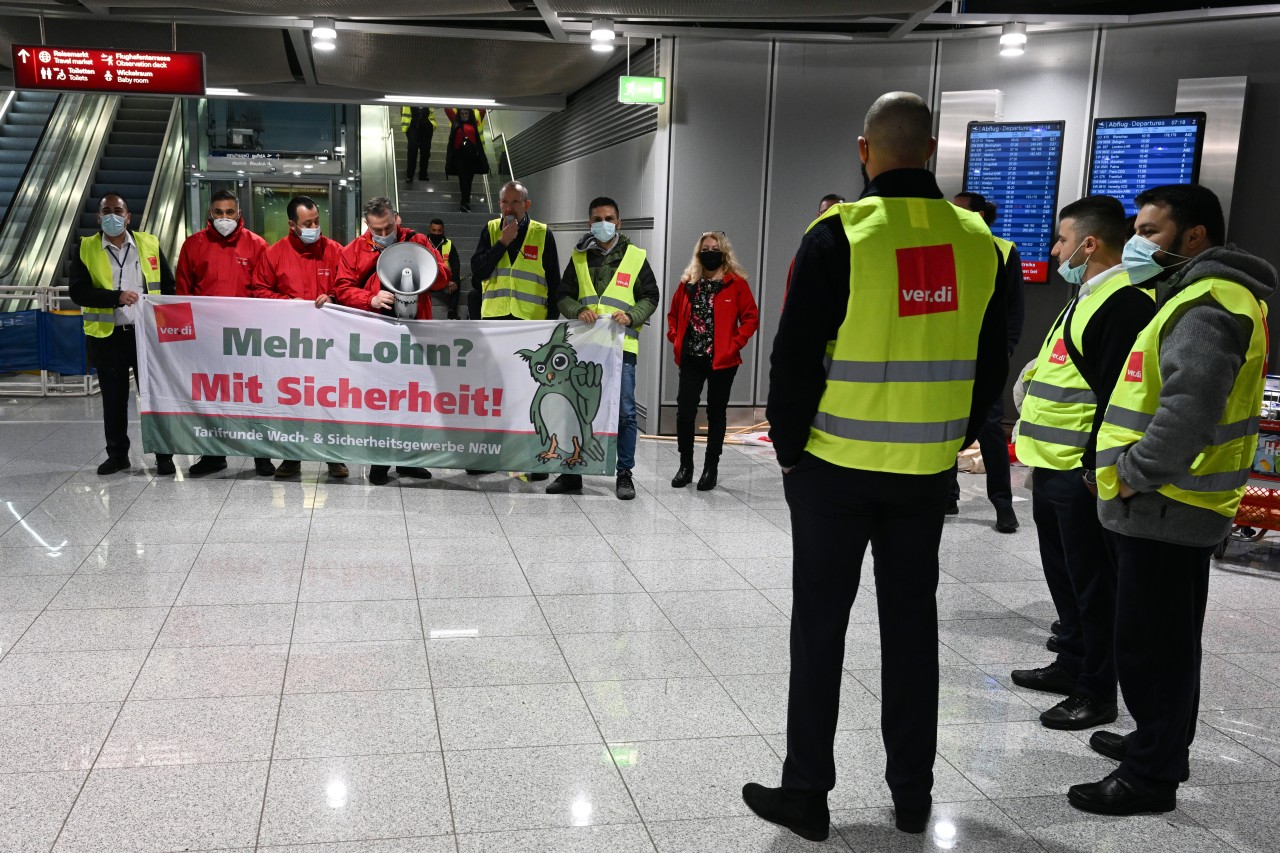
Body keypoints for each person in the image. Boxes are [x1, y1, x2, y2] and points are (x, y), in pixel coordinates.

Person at [742, 92, 1007, 842]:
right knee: (912, 626)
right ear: (930, 151)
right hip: (924, 473)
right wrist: (949, 438)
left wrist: (791, 452)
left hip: (834, 468)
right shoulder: (982, 243)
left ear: (865, 150)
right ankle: (913, 793)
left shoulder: (840, 235)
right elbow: (992, 363)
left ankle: (807, 792)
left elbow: (792, 361)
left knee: (820, 628)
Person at [1070, 184, 1276, 816]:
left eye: (1152, 231)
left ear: (1195, 238)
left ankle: (1149, 777)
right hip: (1175, 505)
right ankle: (1159, 744)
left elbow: (1190, 408)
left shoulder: (1209, 302)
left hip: (1165, 503)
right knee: (1170, 640)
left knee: (1152, 645)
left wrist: (1134, 473)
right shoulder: (1199, 294)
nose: (1137, 242)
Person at [1011, 195, 1156, 732]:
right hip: (1051, 464)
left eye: (1062, 239)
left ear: (1089, 244)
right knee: (1066, 579)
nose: (1055, 250)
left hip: (1080, 471)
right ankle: (1070, 663)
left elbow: (1117, 398)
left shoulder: (1123, 302)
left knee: (1094, 587)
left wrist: (1098, 469)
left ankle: (1097, 690)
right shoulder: (1088, 296)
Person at [549, 196, 660, 501]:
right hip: (584, 351)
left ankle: (624, 474)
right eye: (598, 219)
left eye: (609, 218)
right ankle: (572, 474)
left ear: (619, 223)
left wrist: (633, 316)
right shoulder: (579, 257)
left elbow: (651, 296)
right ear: (590, 223)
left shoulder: (636, 257)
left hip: (621, 350)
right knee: (576, 412)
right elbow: (563, 295)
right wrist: (576, 310)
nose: (604, 224)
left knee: (624, 413)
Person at [334, 196, 451, 485]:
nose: (384, 235)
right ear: (367, 225)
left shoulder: (418, 241)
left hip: (416, 332)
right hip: (378, 337)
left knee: (414, 399)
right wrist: (370, 299)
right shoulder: (354, 251)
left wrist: (426, 274)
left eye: (388, 227)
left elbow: (444, 276)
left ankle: (409, 461)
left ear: (395, 218)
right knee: (382, 400)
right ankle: (380, 462)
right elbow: (342, 287)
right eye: (377, 230)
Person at [68, 193, 176, 476]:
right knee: (113, 400)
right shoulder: (85, 248)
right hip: (107, 336)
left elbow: (168, 287)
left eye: (118, 211)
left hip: (146, 336)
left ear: (128, 217)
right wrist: (116, 297)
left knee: (154, 397)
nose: (112, 216)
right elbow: (78, 292)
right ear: (98, 217)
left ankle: (164, 456)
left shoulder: (148, 243)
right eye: (107, 211)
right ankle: (117, 455)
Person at [248, 194, 350, 480]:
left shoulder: (335, 251)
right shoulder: (274, 253)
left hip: (329, 343)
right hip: (290, 343)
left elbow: (348, 287)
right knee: (293, 398)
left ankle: (334, 457)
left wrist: (333, 297)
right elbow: (259, 290)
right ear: (292, 224)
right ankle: (292, 458)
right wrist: (291, 302)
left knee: (331, 398)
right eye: (308, 223)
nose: (314, 227)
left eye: (317, 221)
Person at [467, 180, 562, 480]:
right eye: (504, 203)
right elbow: (477, 274)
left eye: (514, 203)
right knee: (493, 392)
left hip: (530, 327)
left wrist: (550, 331)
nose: (508, 208)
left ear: (527, 205)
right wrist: (502, 244)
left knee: (530, 394)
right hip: (495, 324)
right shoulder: (492, 230)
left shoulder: (542, 234)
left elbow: (555, 285)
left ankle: (534, 457)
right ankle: (489, 455)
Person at [175, 189, 273, 478]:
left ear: (239, 213)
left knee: (254, 395)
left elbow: (264, 290)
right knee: (212, 397)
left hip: (247, 337)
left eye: (230, 212)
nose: (224, 218)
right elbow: (183, 291)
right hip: (207, 339)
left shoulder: (257, 245)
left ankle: (262, 455)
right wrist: (186, 338)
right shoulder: (193, 245)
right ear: (210, 214)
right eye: (219, 212)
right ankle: (213, 454)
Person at [947, 190, 1025, 531]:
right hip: (947, 354)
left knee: (991, 428)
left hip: (985, 357)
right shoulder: (945, 248)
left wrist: (1004, 348)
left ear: (980, 215)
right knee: (945, 422)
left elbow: (1013, 308)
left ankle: (1002, 504)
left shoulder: (1003, 250)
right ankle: (947, 495)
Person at [666, 230, 759, 490]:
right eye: (705, 249)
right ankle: (686, 466)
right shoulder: (688, 283)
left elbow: (751, 318)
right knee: (685, 412)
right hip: (691, 358)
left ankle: (711, 468)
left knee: (716, 414)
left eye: (714, 249)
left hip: (722, 360)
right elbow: (672, 315)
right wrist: (675, 338)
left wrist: (735, 343)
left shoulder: (736, 283)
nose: (709, 253)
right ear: (699, 253)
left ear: (724, 252)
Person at [783, 194, 845, 306]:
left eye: (837, 213)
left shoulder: (856, 254)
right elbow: (790, 301)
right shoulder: (804, 256)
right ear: (818, 216)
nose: (831, 218)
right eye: (826, 213)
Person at [444, 107, 489, 213]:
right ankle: (464, 203)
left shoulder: (475, 122)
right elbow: (447, 108)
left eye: (466, 113)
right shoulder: (455, 120)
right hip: (459, 157)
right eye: (462, 113)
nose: (464, 115)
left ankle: (466, 202)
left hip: (472, 157)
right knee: (463, 178)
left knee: (468, 180)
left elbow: (483, 109)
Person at [427, 218, 462, 319]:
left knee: (457, 282)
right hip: (427, 280)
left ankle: (452, 311)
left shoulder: (449, 245)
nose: (436, 233)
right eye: (434, 230)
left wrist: (453, 280)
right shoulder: (422, 243)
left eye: (439, 231)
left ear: (443, 232)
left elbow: (456, 264)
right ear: (429, 230)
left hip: (444, 280)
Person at [401, 106, 435, 184]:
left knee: (425, 150)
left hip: (426, 124)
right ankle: (410, 175)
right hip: (412, 124)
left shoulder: (428, 95)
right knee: (412, 148)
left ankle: (423, 174)